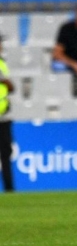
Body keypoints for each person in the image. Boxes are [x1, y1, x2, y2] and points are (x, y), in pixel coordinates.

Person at [0, 35, 14, 192]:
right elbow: (9, 84)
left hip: (4, 114)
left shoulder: (2, 62)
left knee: (5, 154)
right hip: (2, 116)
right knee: (5, 155)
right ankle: (9, 189)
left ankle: (10, 188)